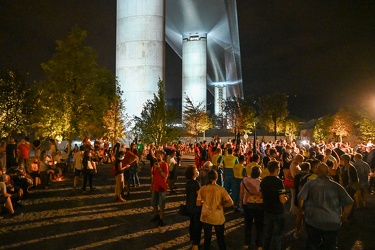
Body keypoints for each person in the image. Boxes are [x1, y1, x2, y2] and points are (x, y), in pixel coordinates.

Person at [298, 163, 354, 250]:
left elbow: (301, 197)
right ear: (328, 172)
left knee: (313, 243)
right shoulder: (336, 186)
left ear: (317, 171)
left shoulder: (310, 184)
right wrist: (343, 217)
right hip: (331, 221)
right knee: (330, 245)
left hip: (313, 219)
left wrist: (302, 210)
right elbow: (349, 202)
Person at [196, 169, 233, 250]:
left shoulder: (202, 189)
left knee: (207, 238)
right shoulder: (221, 189)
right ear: (216, 178)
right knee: (220, 238)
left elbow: (198, 203)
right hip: (218, 217)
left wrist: (204, 202)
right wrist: (222, 205)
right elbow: (230, 202)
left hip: (206, 216)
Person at [260, 160, 289, 250]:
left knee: (267, 234)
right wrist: (287, 198)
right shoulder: (279, 182)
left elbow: (260, 195)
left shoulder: (263, 181)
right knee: (277, 236)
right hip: (278, 211)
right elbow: (282, 199)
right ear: (276, 169)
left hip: (267, 210)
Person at [240, 166, 263, 250]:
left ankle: (247, 243)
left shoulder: (244, 180)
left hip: (247, 203)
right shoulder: (261, 182)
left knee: (247, 224)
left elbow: (241, 192)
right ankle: (259, 244)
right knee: (259, 225)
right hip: (259, 205)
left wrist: (240, 203)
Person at [185, 165, 202, 250]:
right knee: (197, 226)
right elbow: (199, 195)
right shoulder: (196, 183)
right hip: (196, 207)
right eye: (196, 170)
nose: (197, 171)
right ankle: (195, 243)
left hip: (189, 206)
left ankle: (192, 240)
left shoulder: (188, 182)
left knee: (192, 224)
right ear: (193, 173)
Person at [150, 150, 169, 226]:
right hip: (155, 185)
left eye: (159, 156)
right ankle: (156, 215)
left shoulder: (165, 164)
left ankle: (161, 218)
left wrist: (159, 169)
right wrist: (151, 185)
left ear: (162, 156)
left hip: (162, 186)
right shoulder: (154, 164)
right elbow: (153, 176)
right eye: (156, 156)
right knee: (153, 202)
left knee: (161, 204)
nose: (158, 157)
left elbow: (165, 176)